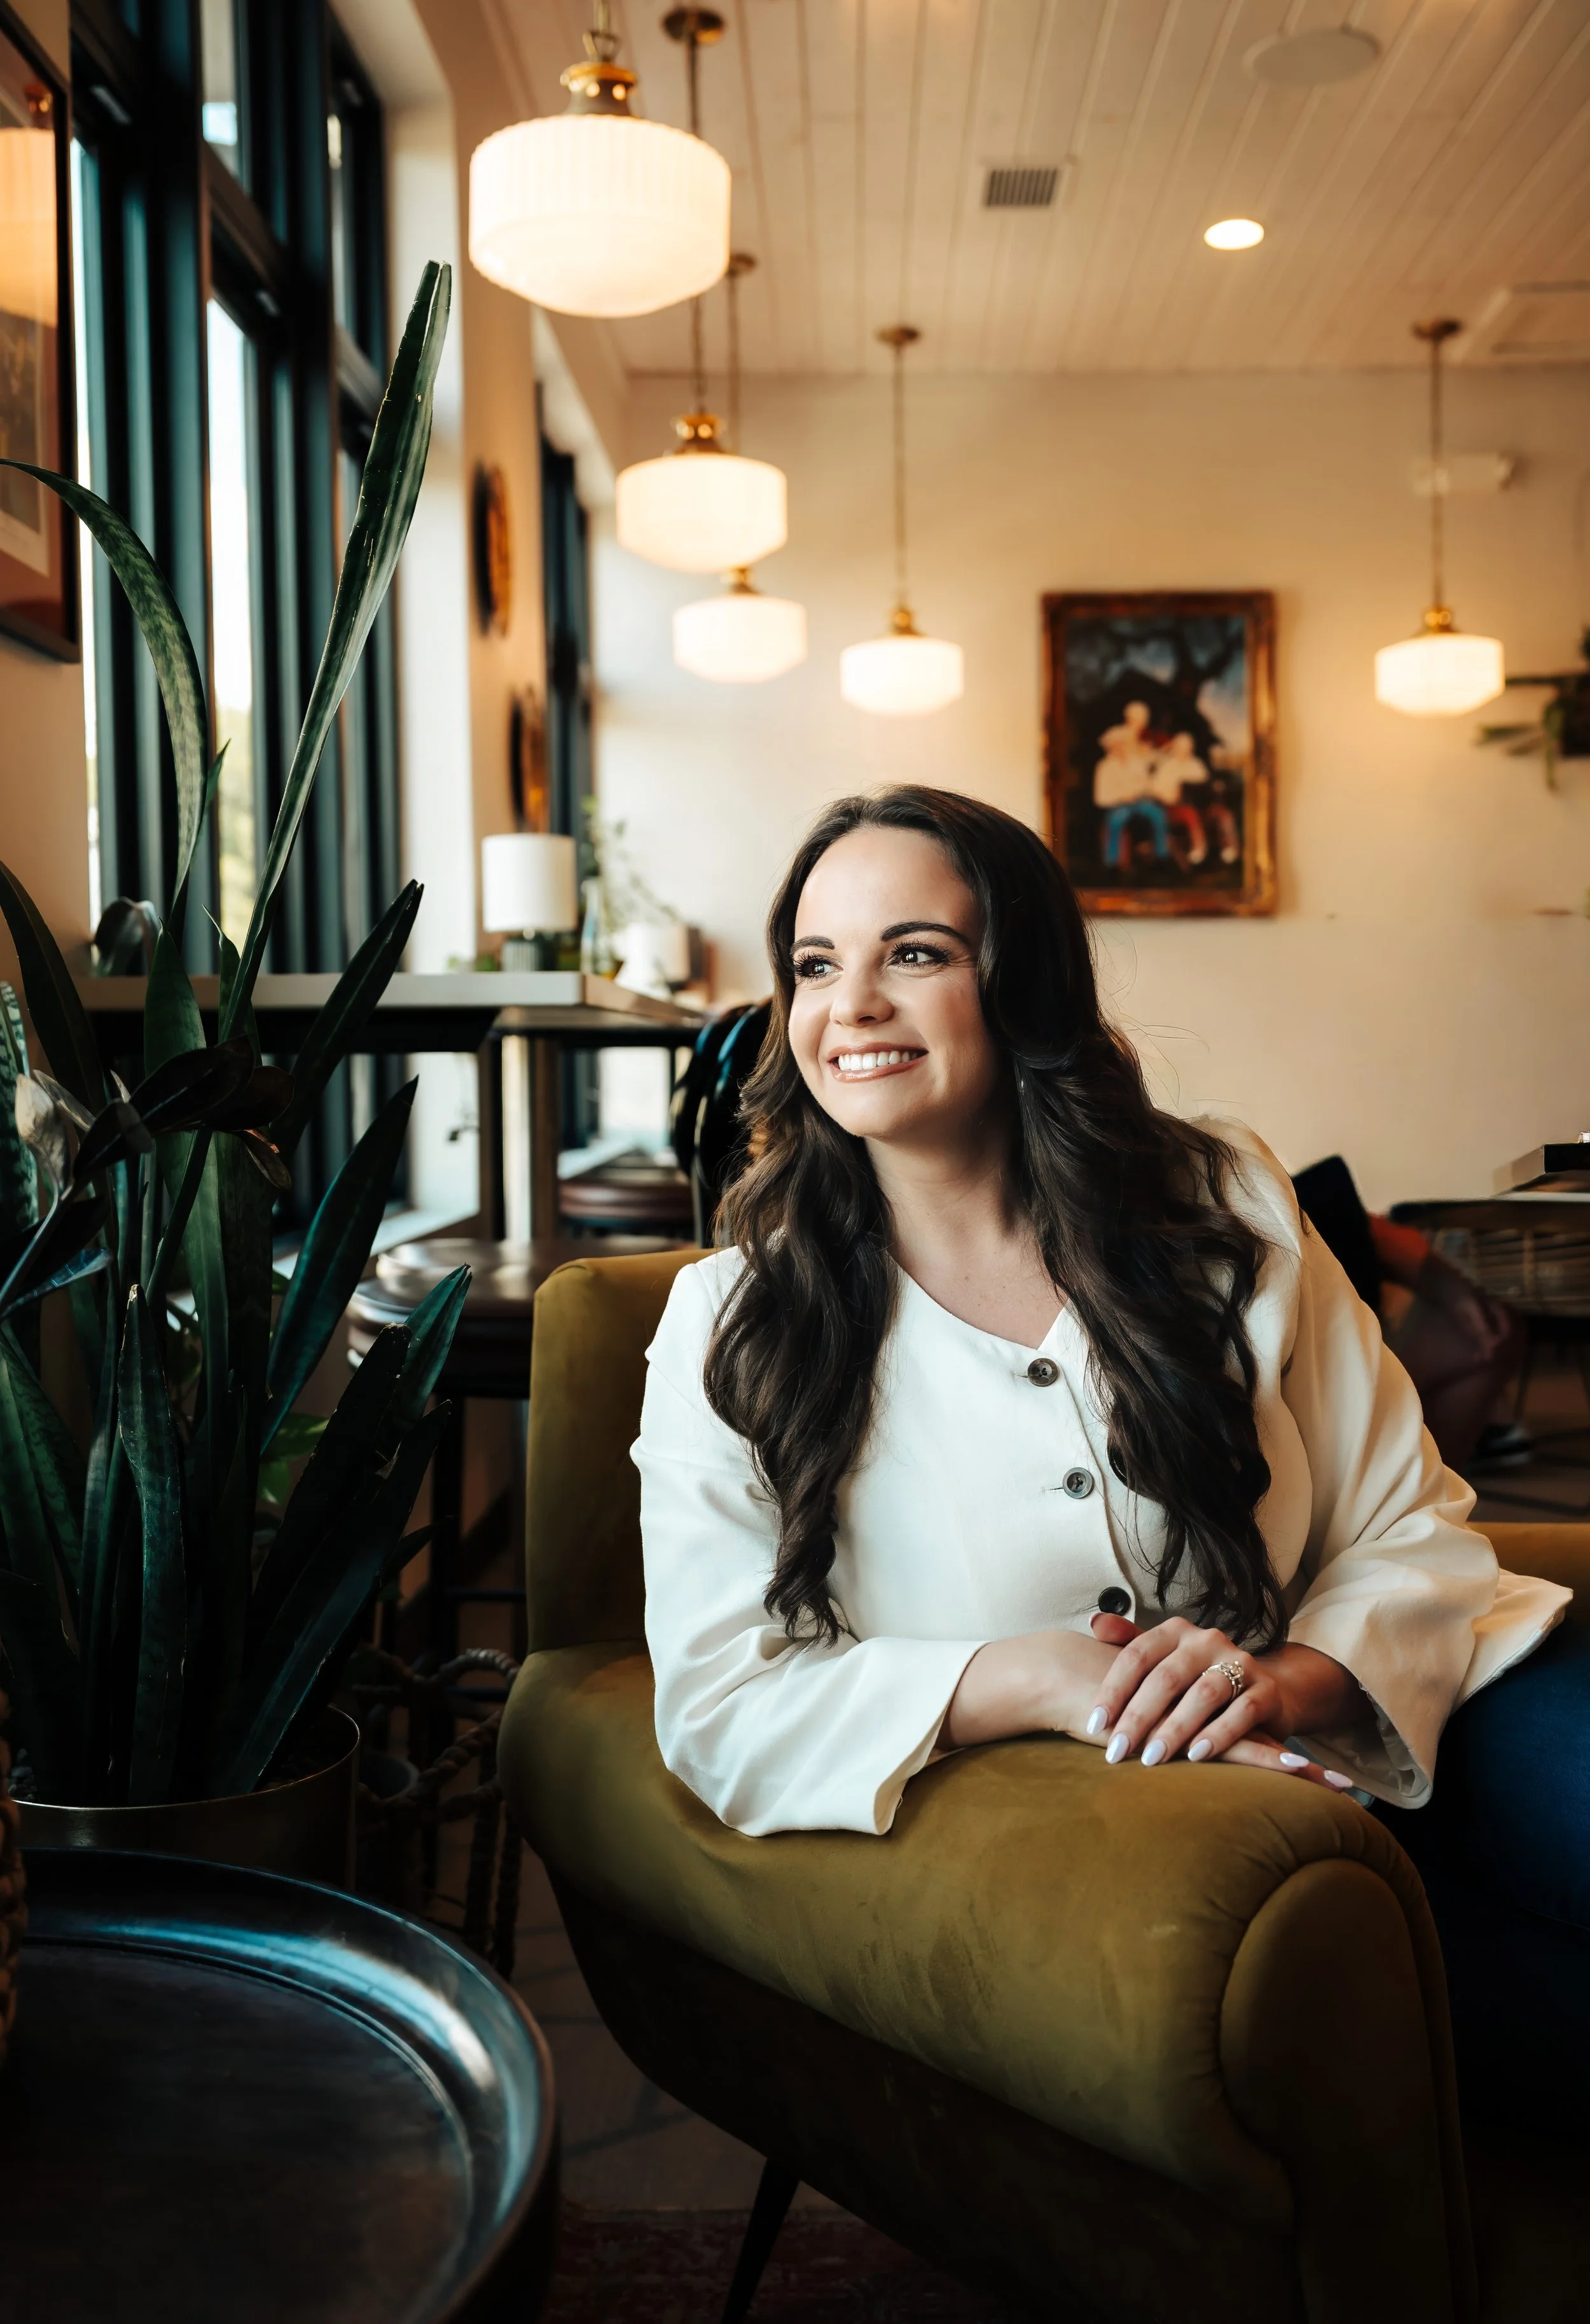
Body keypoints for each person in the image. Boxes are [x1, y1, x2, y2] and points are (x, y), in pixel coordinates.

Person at [636, 786, 1582, 2134]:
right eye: (812, 964)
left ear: (1019, 982)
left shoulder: (1223, 1202)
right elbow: (723, 1701)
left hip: (1407, 1711)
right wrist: (1031, 1678)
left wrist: (1280, 1679)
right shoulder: (731, 1323)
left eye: (913, 953)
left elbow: (1404, 1518)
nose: (849, 1006)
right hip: (1158, 1852)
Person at [1291, 1154, 1527, 1470]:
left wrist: (1453, 1291)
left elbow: (1366, 1228)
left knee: (1487, 1335)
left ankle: (1428, 1492)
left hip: (1348, 1345)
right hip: (1295, 1369)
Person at [1092, 702, 1170, 869]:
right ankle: (1112, 864)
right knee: (1117, 820)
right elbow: (1101, 798)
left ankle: (1162, 858)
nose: (1122, 747)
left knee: (1158, 815)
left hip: (1139, 802)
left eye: (1123, 745)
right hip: (1120, 805)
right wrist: (1122, 797)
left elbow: (1144, 780)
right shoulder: (1105, 766)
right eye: (1118, 745)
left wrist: (1147, 790)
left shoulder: (1135, 760)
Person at [1145, 729, 1210, 866]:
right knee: (1189, 814)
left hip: (1200, 806)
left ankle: (1229, 851)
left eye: (1188, 748)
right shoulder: (1168, 766)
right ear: (1175, 748)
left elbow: (1205, 785)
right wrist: (1170, 795)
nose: (1185, 751)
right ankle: (1199, 850)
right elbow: (1155, 790)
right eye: (1181, 748)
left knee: (1221, 815)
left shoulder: (1196, 764)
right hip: (1173, 807)